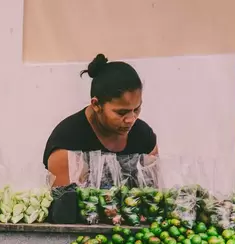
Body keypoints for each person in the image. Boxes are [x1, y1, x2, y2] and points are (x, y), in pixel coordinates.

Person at [43, 54, 158, 187]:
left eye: (136, 109)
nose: (131, 119)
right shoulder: (67, 144)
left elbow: (154, 196)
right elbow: (64, 204)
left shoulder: (144, 138)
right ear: (96, 105)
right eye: (121, 112)